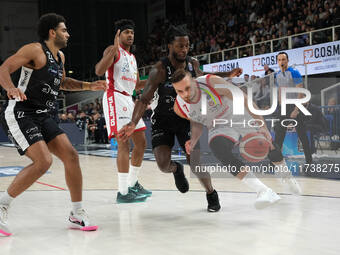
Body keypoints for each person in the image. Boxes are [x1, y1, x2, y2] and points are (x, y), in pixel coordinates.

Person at [0, 13, 107, 236]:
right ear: (52, 32)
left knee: (71, 156)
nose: (68, 34)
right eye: (64, 30)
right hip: (21, 111)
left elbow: (62, 82)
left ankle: (77, 213)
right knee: (43, 162)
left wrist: (89, 86)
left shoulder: (61, 58)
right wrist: (10, 88)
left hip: (43, 114)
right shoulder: (34, 50)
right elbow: (3, 69)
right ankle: (2, 205)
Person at [119, 26, 241, 212]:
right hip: (163, 120)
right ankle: (176, 169)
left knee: (196, 161)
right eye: (180, 46)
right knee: (162, 164)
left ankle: (211, 193)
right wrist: (133, 123)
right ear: (170, 46)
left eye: (187, 46)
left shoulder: (192, 64)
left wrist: (227, 75)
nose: (184, 49)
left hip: (186, 119)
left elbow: (204, 77)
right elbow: (144, 99)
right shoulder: (159, 70)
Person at [171, 69, 302, 209]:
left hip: (238, 114)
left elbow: (244, 98)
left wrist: (262, 125)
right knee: (219, 149)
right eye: (179, 91)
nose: (185, 94)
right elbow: (196, 122)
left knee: (266, 143)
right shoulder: (179, 108)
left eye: (187, 88)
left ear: (194, 81)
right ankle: (264, 191)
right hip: (218, 126)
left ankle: (287, 176)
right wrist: (194, 139)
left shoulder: (211, 82)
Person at [95, 19, 151, 203]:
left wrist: (154, 81)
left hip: (128, 98)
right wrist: (113, 47)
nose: (130, 35)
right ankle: (123, 192)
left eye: (132, 33)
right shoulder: (113, 51)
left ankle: (133, 183)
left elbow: (135, 85)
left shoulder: (132, 58)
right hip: (114, 96)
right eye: (126, 32)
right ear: (118, 35)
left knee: (141, 142)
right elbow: (98, 70)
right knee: (124, 143)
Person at [274, 52, 313, 164]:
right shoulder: (277, 75)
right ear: (278, 61)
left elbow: (300, 91)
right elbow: (280, 90)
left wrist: (296, 109)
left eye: (284, 59)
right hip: (283, 107)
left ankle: (309, 161)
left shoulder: (294, 72)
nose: (282, 62)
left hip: (295, 105)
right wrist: (280, 104)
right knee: (279, 135)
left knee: (302, 134)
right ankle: (275, 161)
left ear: (287, 61)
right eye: (279, 59)